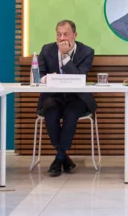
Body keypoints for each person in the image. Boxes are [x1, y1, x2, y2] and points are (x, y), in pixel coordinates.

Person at [36, 20, 96, 176]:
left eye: (66, 34)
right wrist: (48, 78)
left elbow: (79, 78)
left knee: (71, 113)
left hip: (77, 97)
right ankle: (63, 157)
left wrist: (65, 57)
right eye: (59, 34)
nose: (62, 38)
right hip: (54, 96)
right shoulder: (46, 50)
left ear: (75, 35)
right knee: (51, 111)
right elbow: (39, 75)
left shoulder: (87, 52)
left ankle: (59, 158)